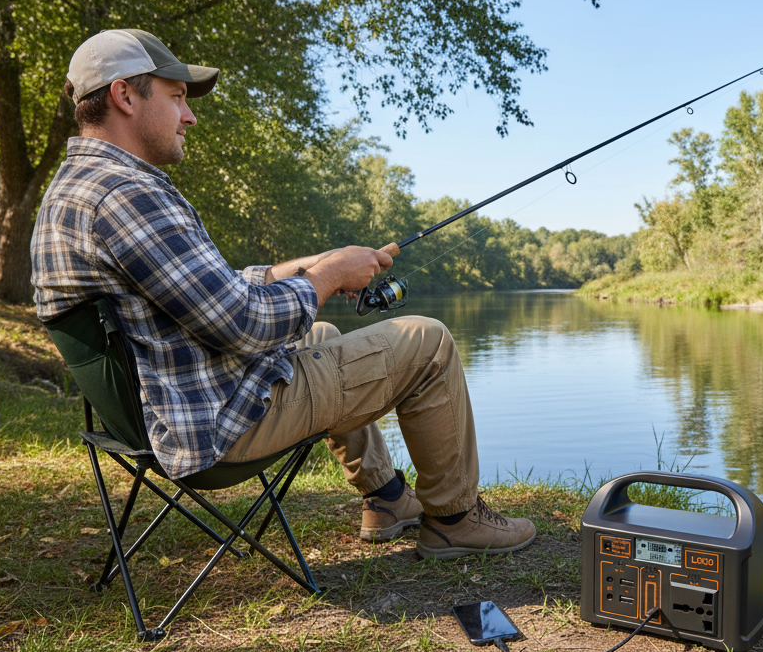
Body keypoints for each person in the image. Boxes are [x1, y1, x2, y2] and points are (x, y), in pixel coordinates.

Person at [31, 28, 535, 560]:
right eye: (176, 96)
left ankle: (386, 500)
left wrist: (308, 267)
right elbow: (242, 326)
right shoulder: (126, 195)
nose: (190, 116)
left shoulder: (77, 188)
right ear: (125, 95)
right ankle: (456, 519)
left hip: (162, 413)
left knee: (321, 332)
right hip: (215, 426)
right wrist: (328, 278)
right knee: (428, 342)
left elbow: (206, 293)